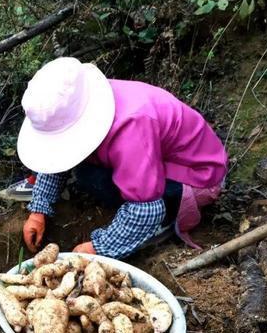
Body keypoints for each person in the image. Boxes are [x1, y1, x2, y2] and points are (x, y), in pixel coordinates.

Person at [12, 57, 227, 258]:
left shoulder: (131, 125)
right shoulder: (77, 100)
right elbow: (57, 155)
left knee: (94, 179)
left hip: (196, 177)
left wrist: (98, 247)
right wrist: (38, 211)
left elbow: (146, 208)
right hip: (156, 158)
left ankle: (166, 223)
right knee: (86, 173)